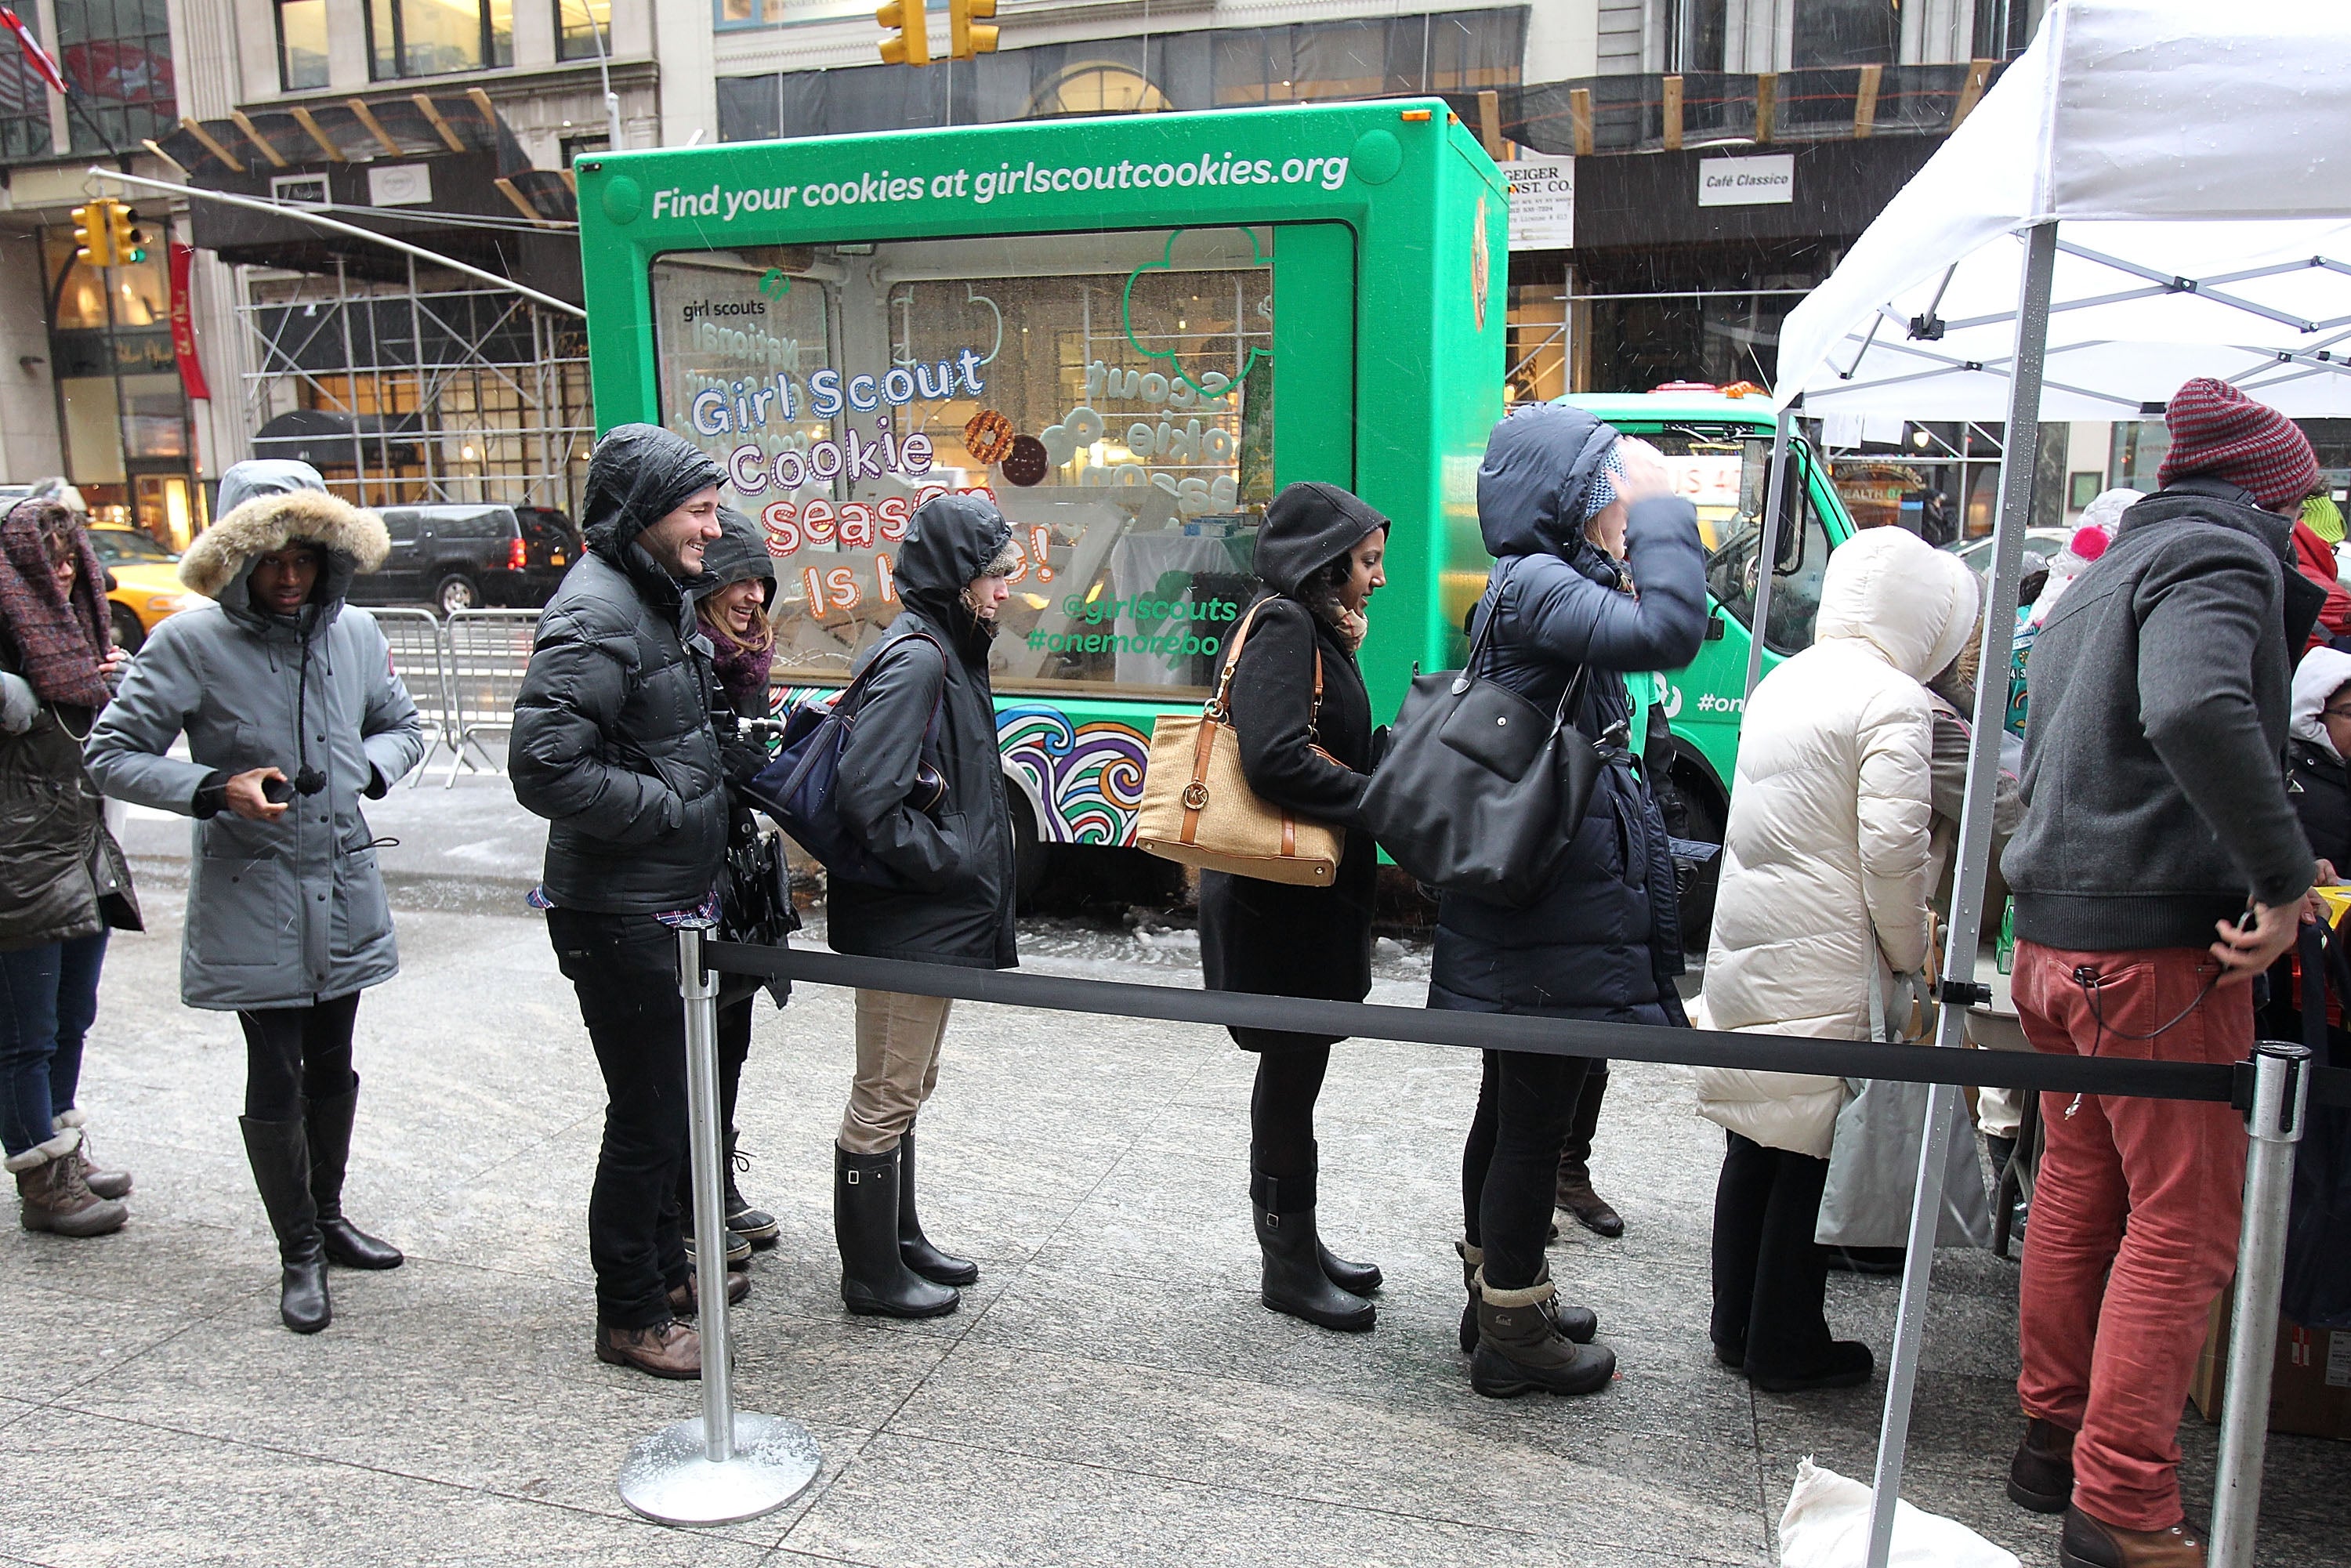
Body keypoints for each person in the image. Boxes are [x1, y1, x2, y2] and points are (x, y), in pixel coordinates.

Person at [2000, 378, 2329, 1567]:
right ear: (2267, 493)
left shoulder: (2103, 575)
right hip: (2151, 954)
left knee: (2082, 1192)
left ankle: (2056, 1441)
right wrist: (2284, 878)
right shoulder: (2219, 557)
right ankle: (2124, 1503)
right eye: (2300, 502)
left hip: (2056, 938)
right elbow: (2192, 703)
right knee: (2180, 1226)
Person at [85, 462, 424, 1333]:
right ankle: (298, 1250)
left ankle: (330, 1216)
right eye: (270, 558)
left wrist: (366, 772)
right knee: (274, 1069)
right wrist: (213, 788)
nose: (287, 576)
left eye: (304, 558)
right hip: (254, 887)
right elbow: (112, 751)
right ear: (237, 561)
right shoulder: (189, 644)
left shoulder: (354, 633)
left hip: (342, 877)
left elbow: (401, 726)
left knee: (335, 1061)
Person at [1434, 404, 1707, 1400]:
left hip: (1532, 899)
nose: (1622, 510)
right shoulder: (1540, 585)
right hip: (1542, 905)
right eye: (1612, 492)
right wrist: (1670, 510)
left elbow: (1674, 622)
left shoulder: (1540, 582)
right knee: (1532, 1121)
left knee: (1512, 1107)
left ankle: (1501, 1293)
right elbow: (1672, 632)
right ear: (1579, 499)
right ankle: (1511, 1327)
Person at [1694, 530, 1978, 1382]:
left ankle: (1735, 1324)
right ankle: (1785, 1340)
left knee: (1755, 1137)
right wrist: (1907, 950)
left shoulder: (1787, 677)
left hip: (1754, 942)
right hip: (1829, 953)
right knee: (1810, 1152)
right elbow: (1892, 855)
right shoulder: (1892, 700)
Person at [511, 425, 737, 1380]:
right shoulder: (596, 612)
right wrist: (673, 806)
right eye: (698, 511)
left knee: (673, 1104)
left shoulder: (649, 595)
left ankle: (665, 1270)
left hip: (664, 897)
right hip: (620, 910)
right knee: (646, 1115)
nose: (713, 530)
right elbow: (545, 766)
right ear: (643, 514)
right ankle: (631, 1313)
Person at [1199, 481, 1389, 1333]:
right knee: (1288, 1077)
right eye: (1369, 562)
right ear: (1328, 563)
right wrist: (1377, 795)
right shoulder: (1284, 626)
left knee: (1297, 1077)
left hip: (1299, 905)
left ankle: (1301, 1243)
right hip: (1277, 910)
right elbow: (1277, 758)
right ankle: (1286, 1264)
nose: (1377, 580)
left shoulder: (1313, 628)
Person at [828, 493, 1019, 1319]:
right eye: (996, 575)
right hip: (912, 916)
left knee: (910, 1083)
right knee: (885, 1094)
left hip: (926, 916)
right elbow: (865, 798)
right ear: (959, 580)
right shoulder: (921, 658)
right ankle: (872, 1272)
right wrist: (954, 858)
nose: (1007, 589)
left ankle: (900, 1243)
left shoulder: (947, 647)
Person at [2, 498, 139, 1237]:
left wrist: (117, 677)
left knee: (70, 1014)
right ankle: (39, 1174)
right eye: (45, 556)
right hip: (18, 854)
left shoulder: (84, 628)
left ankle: (62, 1146)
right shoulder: (7, 630)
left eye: (68, 554)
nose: (59, 568)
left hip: (81, 844)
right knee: (23, 1027)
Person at [683, 506, 787, 1256]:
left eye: (761, 584)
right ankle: (688, 1196)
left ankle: (718, 1176)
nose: (752, 598)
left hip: (741, 878)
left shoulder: (748, 659)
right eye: (736, 583)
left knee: (733, 1039)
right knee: (693, 1044)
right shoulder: (683, 657)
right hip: (692, 881)